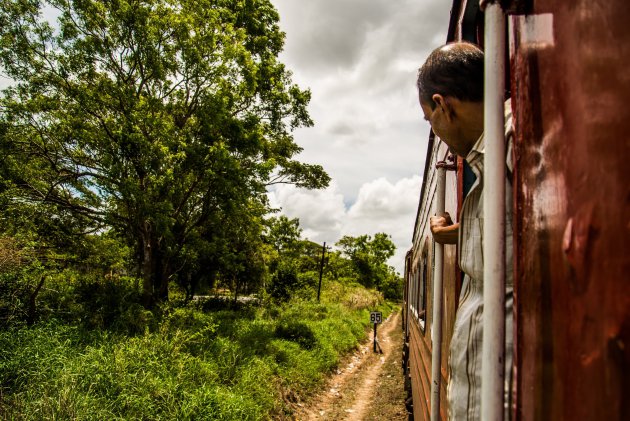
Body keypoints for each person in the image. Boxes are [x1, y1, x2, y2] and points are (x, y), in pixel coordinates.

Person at [417, 42, 513, 420]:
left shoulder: (512, 148)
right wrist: (451, 234)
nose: (437, 131)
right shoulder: (489, 159)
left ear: (443, 105)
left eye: (430, 120)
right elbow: (507, 230)